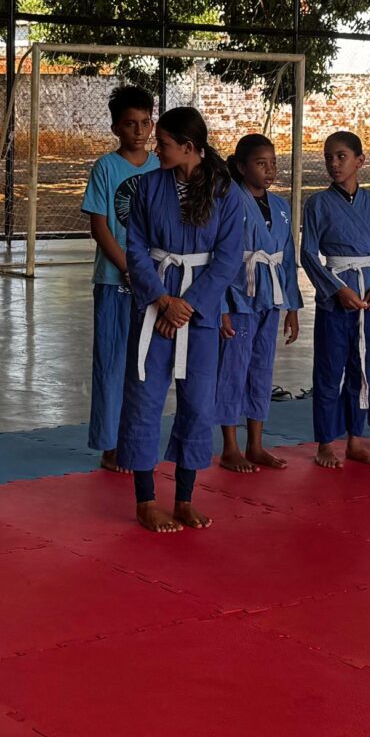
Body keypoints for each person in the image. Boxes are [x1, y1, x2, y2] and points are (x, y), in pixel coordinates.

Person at [118, 106, 249, 532]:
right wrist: (161, 299)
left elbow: (228, 258)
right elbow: (135, 247)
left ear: (189, 147)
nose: (156, 149)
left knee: (197, 403)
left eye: (164, 143)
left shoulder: (225, 192)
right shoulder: (148, 186)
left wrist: (186, 306)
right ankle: (145, 501)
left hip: (199, 312)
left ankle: (185, 499)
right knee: (143, 399)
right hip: (155, 304)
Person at [301, 129, 370, 467]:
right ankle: (325, 443)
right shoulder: (317, 204)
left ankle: (356, 439)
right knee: (329, 369)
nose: (334, 164)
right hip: (335, 295)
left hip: (368, 295)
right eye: (329, 158)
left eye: (341, 157)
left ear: (360, 161)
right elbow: (308, 253)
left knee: (362, 368)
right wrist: (337, 289)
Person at [82, 86, 158, 472]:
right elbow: (99, 226)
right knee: (111, 362)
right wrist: (129, 269)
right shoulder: (106, 168)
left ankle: (136, 438)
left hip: (154, 283)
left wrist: (152, 275)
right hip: (115, 280)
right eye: (130, 124)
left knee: (145, 364)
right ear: (115, 128)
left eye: (145, 123)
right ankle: (109, 445)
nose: (139, 131)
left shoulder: (161, 166)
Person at [215, 134, 297, 474]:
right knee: (233, 369)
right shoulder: (228, 200)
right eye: (261, 164)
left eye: (273, 163)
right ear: (241, 166)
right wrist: (220, 308)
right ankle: (230, 448)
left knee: (262, 369)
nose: (270, 170)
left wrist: (292, 307)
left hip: (271, 297)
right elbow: (217, 256)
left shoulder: (281, 206)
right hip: (238, 295)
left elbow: (288, 258)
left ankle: (256, 445)